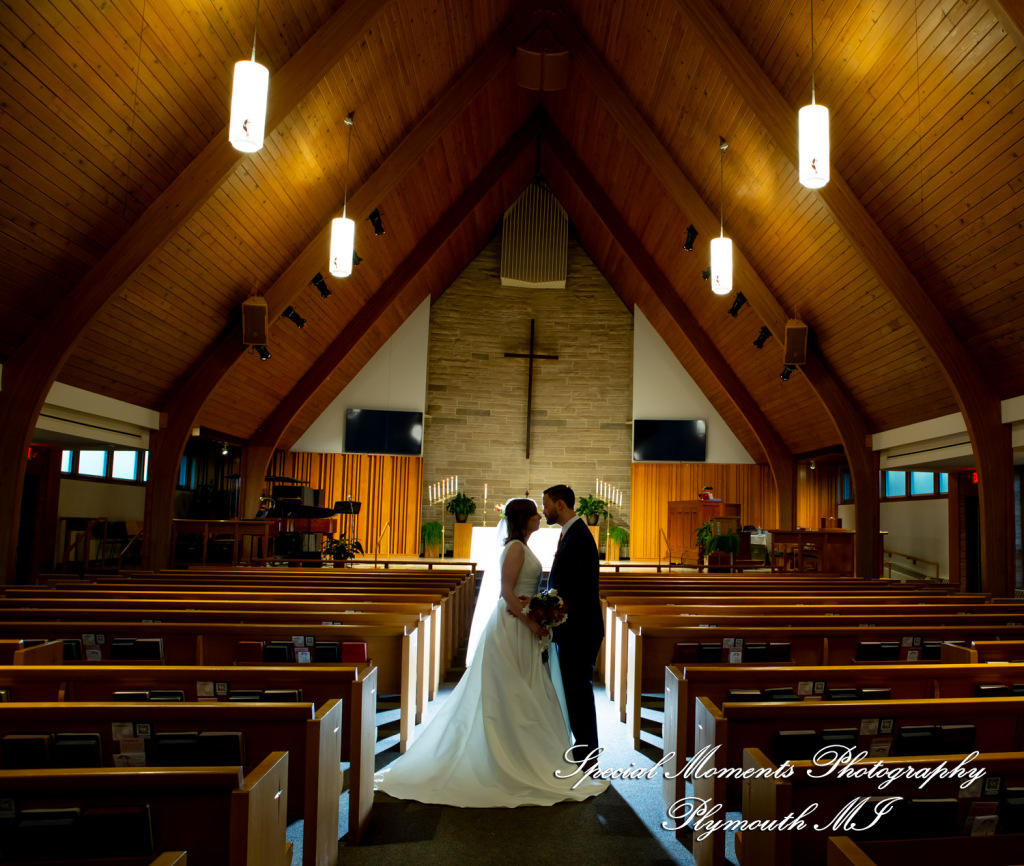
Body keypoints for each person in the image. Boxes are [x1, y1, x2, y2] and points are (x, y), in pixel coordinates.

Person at [374, 497, 607, 807]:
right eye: (535, 513)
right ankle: (509, 757)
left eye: (542, 509)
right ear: (524, 519)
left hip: (523, 625)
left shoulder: (522, 546)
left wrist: (537, 607)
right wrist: (530, 621)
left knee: (526, 689)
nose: (540, 516)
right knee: (511, 690)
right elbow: (506, 593)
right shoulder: (515, 548)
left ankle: (524, 753)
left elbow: (521, 591)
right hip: (513, 628)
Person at [542, 484, 604, 768]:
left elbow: (574, 591)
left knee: (579, 694)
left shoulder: (578, 536)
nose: (544, 511)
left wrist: (545, 608)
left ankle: (587, 757)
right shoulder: (572, 532)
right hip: (575, 628)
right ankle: (584, 753)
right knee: (576, 693)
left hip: (579, 630)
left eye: (546, 505)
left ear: (560, 504)